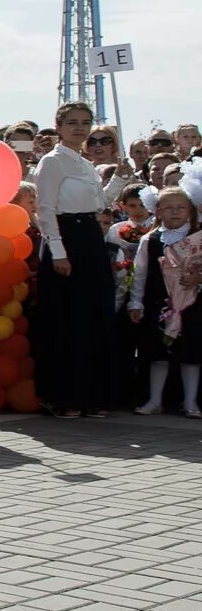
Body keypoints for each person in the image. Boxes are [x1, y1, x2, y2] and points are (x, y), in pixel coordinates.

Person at [32, 101, 117, 418]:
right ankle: (64, 396)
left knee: (93, 316)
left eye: (85, 122)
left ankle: (92, 394)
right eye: (72, 122)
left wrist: (118, 181)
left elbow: (97, 203)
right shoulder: (52, 162)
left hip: (90, 236)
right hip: (65, 239)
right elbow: (46, 209)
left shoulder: (84, 162)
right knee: (67, 319)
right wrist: (58, 251)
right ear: (59, 126)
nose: (79, 128)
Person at [131, 178, 202, 416]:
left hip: (191, 304)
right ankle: (154, 400)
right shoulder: (149, 240)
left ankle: (190, 402)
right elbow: (139, 274)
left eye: (181, 207)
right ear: (158, 211)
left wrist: (197, 279)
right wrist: (136, 302)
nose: (175, 212)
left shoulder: (198, 237)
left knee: (190, 355)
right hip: (156, 303)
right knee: (157, 354)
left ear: (190, 210)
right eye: (168, 207)